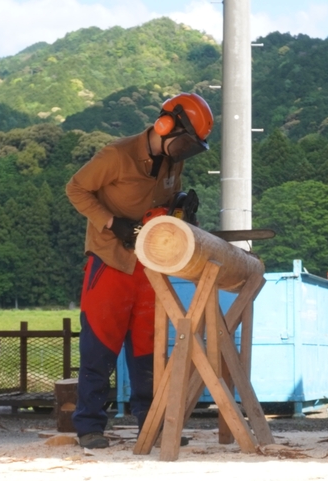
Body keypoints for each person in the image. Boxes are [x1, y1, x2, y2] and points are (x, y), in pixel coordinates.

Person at [65, 92, 214, 449]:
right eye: (184, 144)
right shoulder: (117, 155)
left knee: (149, 347)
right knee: (100, 345)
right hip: (110, 261)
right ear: (165, 126)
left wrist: (179, 208)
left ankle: (152, 424)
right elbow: (76, 188)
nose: (184, 153)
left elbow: (166, 198)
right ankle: (89, 426)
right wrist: (112, 222)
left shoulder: (171, 162)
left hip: (149, 262)